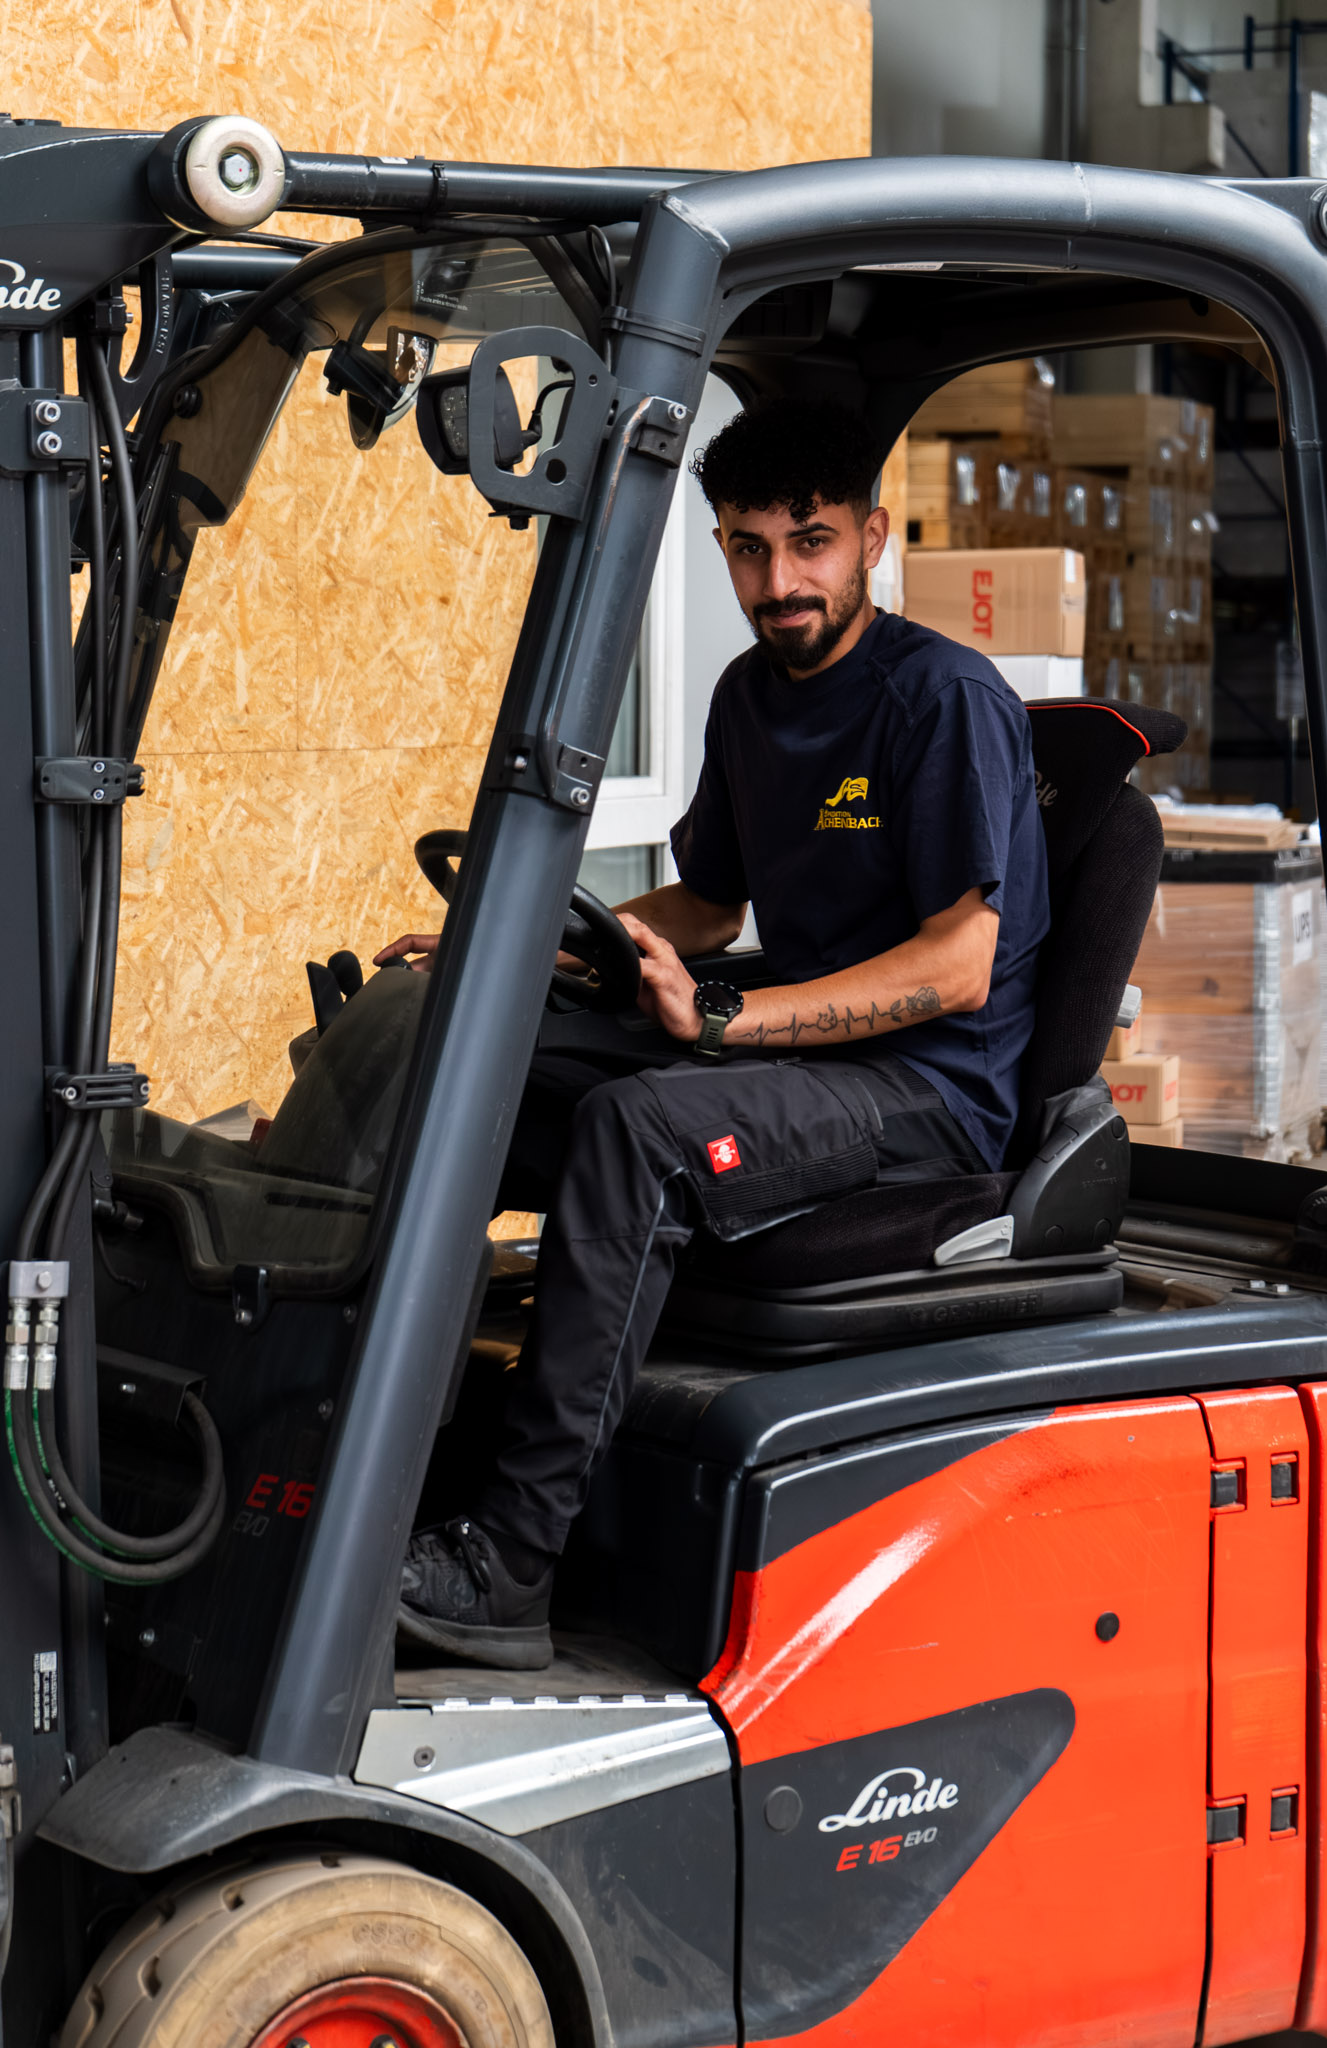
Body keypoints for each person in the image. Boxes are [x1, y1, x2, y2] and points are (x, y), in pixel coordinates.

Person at [376, 398, 1049, 1669]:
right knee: (467, 1050)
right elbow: (708, 902)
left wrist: (727, 1015)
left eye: (810, 543)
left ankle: (511, 1564)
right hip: (797, 1057)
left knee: (639, 1129)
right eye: (748, 547)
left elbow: (963, 966)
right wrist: (504, 949)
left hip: (926, 1089)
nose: (779, 580)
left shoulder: (944, 699)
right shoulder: (750, 695)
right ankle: (370, 1468)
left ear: (872, 539)